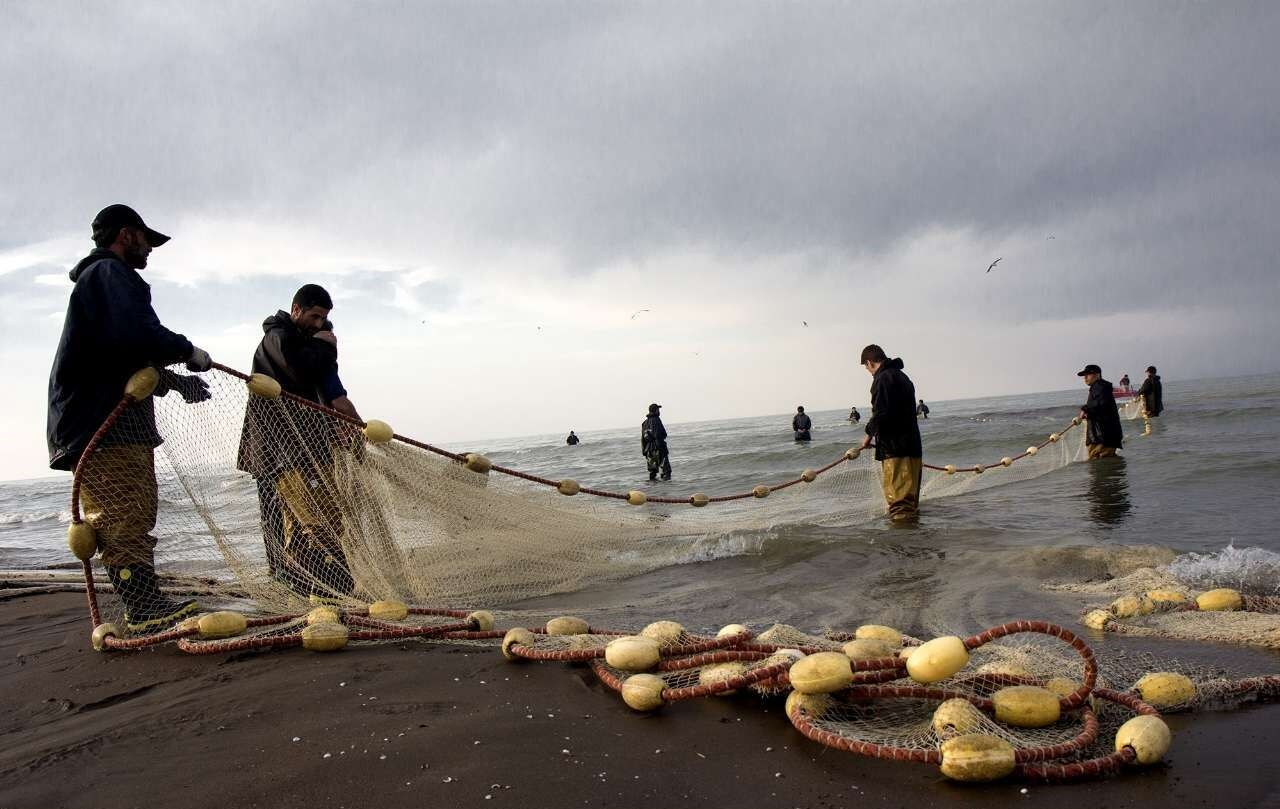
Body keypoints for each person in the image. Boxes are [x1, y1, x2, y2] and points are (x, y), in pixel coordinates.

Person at [47, 204, 214, 632]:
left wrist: (176, 384)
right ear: (127, 234)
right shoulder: (110, 275)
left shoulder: (103, 281)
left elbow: (121, 358)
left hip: (109, 419)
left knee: (134, 508)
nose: (150, 250)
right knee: (123, 512)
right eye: (146, 240)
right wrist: (187, 351)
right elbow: (137, 335)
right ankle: (141, 607)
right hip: (99, 422)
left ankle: (144, 599)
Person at [237, 284, 361, 598]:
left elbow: (327, 394)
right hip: (283, 450)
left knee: (295, 523)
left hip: (289, 449)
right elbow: (304, 371)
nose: (319, 324)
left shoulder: (304, 342)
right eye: (315, 316)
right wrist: (325, 347)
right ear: (296, 310)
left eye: (324, 320)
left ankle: (305, 585)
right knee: (319, 519)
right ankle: (330, 587)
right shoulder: (279, 338)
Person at [857, 345, 923, 522]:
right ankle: (917, 543)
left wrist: (867, 435)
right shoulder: (902, 377)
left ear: (870, 362)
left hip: (895, 449)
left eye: (866, 367)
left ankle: (902, 546)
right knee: (911, 502)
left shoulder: (883, 378)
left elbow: (881, 412)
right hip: (913, 448)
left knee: (899, 504)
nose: (868, 371)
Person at [1077, 364, 1123, 458]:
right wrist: (1088, 413)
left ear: (1097, 375)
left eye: (1088, 374)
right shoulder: (1100, 387)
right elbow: (1102, 408)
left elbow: (1100, 403)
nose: (1085, 377)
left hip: (1102, 437)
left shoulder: (1099, 386)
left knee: (1099, 464)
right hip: (1106, 435)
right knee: (1108, 465)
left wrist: (1085, 409)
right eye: (1084, 375)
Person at [641, 403, 671, 481]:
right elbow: (657, 435)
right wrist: (661, 449)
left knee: (652, 472)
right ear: (656, 410)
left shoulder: (644, 423)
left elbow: (643, 439)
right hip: (658, 448)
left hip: (648, 450)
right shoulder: (656, 420)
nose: (659, 411)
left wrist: (644, 451)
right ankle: (666, 490)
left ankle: (653, 490)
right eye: (658, 409)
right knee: (666, 471)